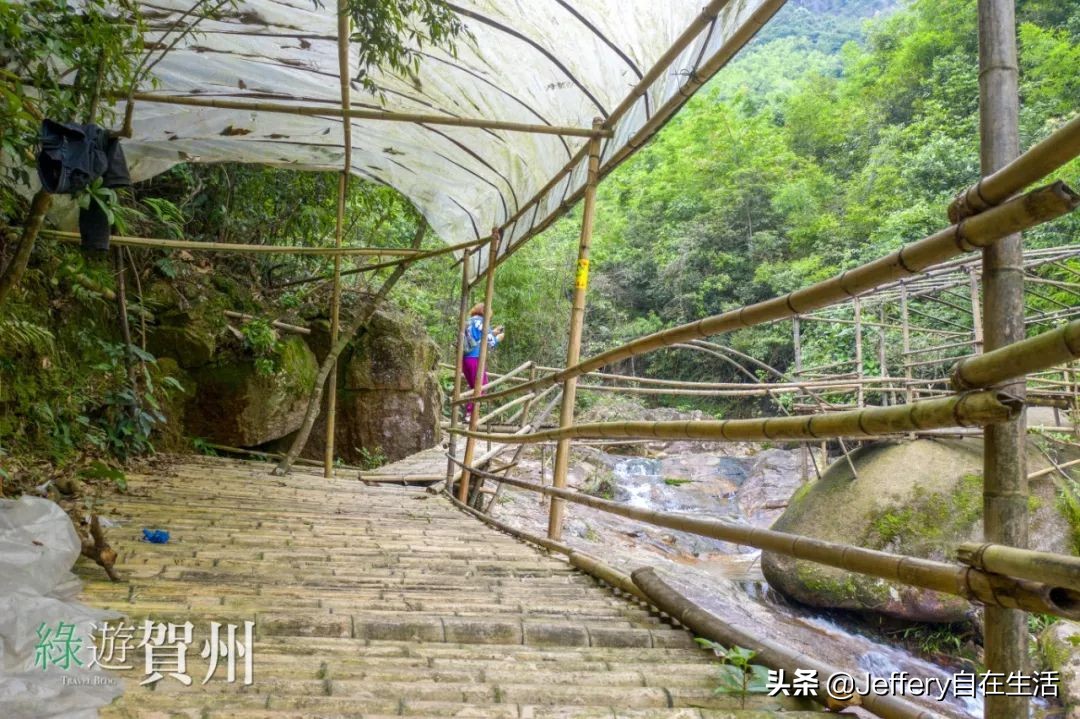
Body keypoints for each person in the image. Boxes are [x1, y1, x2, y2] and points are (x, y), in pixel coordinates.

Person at [461, 303, 504, 419]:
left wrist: (493, 332)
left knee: (474, 387)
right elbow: (491, 342)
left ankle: (469, 414)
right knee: (482, 386)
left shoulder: (469, 321)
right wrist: (498, 338)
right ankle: (470, 415)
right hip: (475, 358)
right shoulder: (482, 322)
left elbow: (479, 336)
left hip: (465, 359)